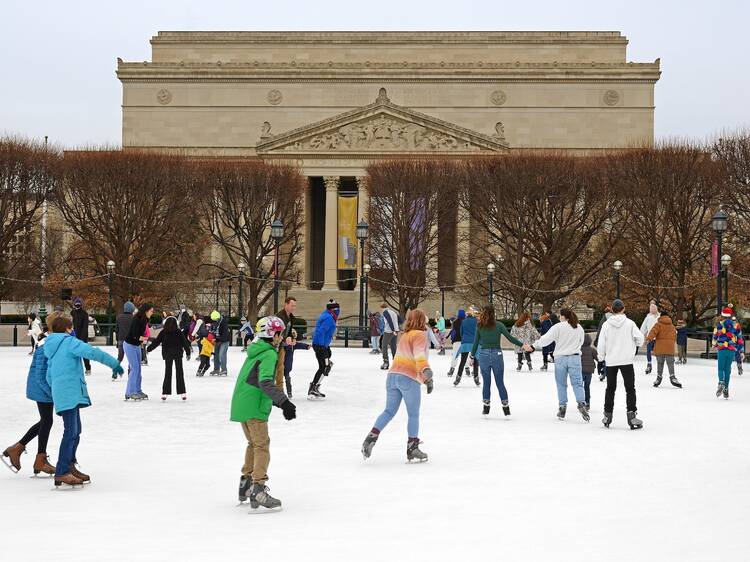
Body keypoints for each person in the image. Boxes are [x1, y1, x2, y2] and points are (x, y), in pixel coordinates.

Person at [44, 315, 123, 487]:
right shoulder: (68, 342)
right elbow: (92, 352)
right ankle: (62, 471)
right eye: (70, 327)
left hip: (64, 392)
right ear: (66, 329)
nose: (72, 330)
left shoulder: (51, 346)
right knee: (71, 431)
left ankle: (70, 465)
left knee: (75, 430)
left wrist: (57, 388)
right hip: (70, 391)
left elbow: (48, 375)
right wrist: (114, 363)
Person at [231, 316, 296, 511]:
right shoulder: (269, 354)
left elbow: (253, 379)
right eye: (280, 333)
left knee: (253, 443)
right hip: (254, 406)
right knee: (262, 445)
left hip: (242, 403)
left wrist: (276, 401)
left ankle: (246, 485)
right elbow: (265, 381)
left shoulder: (255, 351)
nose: (282, 336)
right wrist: (284, 402)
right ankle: (258, 488)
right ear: (273, 334)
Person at [361, 309, 434, 463]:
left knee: (388, 411)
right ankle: (412, 447)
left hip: (392, 376)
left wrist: (425, 379)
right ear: (422, 321)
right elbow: (419, 356)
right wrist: (427, 373)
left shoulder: (405, 335)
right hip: (408, 378)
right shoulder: (420, 335)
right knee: (413, 414)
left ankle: (371, 438)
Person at [2, 327, 57, 476]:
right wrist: (51, 393)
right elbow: (40, 374)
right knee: (46, 421)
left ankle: (19, 449)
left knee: (46, 420)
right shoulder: (45, 345)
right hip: (41, 387)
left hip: (44, 386)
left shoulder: (49, 343)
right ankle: (39, 459)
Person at [528, 308, 589, 422]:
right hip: (575, 357)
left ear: (562, 316)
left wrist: (533, 346)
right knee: (577, 383)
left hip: (560, 358)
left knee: (561, 384)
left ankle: (562, 407)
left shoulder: (558, 327)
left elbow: (545, 339)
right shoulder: (578, 327)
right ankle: (581, 403)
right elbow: (581, 342)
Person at [596, 299, 645, 429]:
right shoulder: (630, 324)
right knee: (630, 389)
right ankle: (632, 416)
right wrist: (635, 345)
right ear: (623, 309)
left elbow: (601, 343)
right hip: (626, 361)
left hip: (611, 361)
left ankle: (607, 415)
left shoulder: (606, 325)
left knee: (610, 389)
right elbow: (640, 338)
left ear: (612, 310)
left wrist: (601, 358)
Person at [469, 305, 524, 416]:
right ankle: (505, 406)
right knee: (500, 382)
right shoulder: (499, 325)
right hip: (497, 354)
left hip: (483, 354)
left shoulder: (480, 326)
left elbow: (475, 343)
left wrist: (471, 357)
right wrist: (522, 345)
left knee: (486, 382)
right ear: (493, 313)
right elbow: (510, 338)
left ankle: (486, 406)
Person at [147, 316, 192, 400]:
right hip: (176, 354)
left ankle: (166, 392)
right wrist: (188, 353)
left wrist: (149, 349)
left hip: (169, 354)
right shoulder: (176, 332)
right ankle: (182, 392)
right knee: (179, 372)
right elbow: (185, 343)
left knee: (168, 372)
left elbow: (156, 342)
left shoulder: (164, 332)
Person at [123, 303, 154, 401]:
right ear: (146, 310)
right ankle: (131, 392)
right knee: (135, 368)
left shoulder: (144, 320)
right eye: (151, 311)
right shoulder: (137, 319)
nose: (152, 313)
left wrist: (145, 340)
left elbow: (140, 336)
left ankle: (137, 390)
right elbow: (135, 336)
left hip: (136, 346)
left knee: (138, 369)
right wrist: (148, 339)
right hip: (129, 345)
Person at [308, 300, 338, 399]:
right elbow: (321, 332)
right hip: (320, 345)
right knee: (324, 367)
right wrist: (322, 346)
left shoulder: (328, 315)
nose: (338, 312)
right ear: (333, 310)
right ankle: (313, 388)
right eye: (336, 309)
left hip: (323, 345)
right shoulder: (328, 318)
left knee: (326, 365)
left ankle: (315, 387)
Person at [712, 306, 744, 400]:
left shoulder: (719, 325)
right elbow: (740, 339)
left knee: (720, 368)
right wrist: (741, 351)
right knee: (727, 370)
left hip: (722, 349)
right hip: (731, 350)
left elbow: (714, 337)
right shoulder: (736, 325)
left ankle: (721, 382)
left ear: (722, 315)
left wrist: (714, 344)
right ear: (730, 316)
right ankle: (726, 389)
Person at [646, 311, 682, 389]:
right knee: (670, 363)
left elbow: (653, 332)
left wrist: (649, 339)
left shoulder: (658, 324)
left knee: (660, 363)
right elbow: (675, 334)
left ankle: (658, 378)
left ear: (661, 316)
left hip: (660, 347)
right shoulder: (672, 326)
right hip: (669, 347)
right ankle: (673, 377)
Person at [274, 296, 298, 390]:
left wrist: (292, 338)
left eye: (295, 306)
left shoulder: (291, 317)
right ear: (286, 304)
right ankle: (270, 389)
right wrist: (285, 339)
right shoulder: (279, 317)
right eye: (292, 305)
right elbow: (275, 333)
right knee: (273, 368)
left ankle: (279, 390)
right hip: (274, 346)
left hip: (281, 346)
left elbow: (289, 332)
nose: (293, 308)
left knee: (280, 368)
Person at [453, 306, 480, 386]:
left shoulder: (464, 321)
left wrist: (464, 339)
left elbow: (461, 332)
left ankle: (458, 377)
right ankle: (476, 378)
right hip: (474, 343)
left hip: (465, 343)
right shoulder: (476, 322)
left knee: (463, 361)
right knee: (475, 360)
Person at [282, 328, 310, 398]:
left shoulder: (293, 344)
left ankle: (289, 392)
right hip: (279, 366)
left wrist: (306, 346)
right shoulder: (282, 344)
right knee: (278, 380)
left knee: (287, 379)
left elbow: (299, 345)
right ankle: (278, 393)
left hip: (287, 366)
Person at [70, 297, 92, 375]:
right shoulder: (73, 313)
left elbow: (85, 327)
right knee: (73, 353)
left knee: (84, 353)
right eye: (76, 305)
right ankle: (74, 368)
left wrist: (82, 339)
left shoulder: (84, 314)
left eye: (78, 304)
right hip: (74, 336)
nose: (77, 306)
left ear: (81, 305)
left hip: (82, 337)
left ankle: (88, 368)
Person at [114, 301, 135, 379]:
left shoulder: (119, 317)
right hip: (130, 341)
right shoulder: (133, 318)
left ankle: (115, 372)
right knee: (131, 358)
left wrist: (118, 339)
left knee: (120, 357)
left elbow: (117, 330)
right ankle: (130, 373)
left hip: (121, 340)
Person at [640, 301, 659, 374]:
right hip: (650, 338)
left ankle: (658, 365)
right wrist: (641, 335)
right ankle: (649, 364)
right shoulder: (648, 317)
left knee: (657, 352)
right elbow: (643, 328)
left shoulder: (659, 317)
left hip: (657, 338)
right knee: (648, 351)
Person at [595, 305, 613, 381]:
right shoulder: (614, 319)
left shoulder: (603, 319)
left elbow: (599, 330)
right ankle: (607, 372)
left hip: (604, 340)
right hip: (612, 341)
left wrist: (597, 339)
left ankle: (604, 372)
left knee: (604, 357)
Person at [380, 302, 400, 370]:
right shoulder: (393, 312)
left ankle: (386, 362)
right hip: (396, 330)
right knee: (393, 346)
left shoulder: (385, 312)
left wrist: (393, 329)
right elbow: (400, 320)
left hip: (389, 331)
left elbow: (390, 321)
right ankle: (396, 363)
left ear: (382, 308)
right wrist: (396, 328)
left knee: (384, 346)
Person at [209, 310, 230, 376]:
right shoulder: (215, 322)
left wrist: (217, 339)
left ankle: (224, 370)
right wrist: (213, 337)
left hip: (224, 340)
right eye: (214, 320)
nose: (215, 321)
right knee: (216, 355)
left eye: (216, 319)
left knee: (222, 354)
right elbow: (213, 331)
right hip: (217, 340)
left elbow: (225, 334)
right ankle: (216, 369)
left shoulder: (224, 322)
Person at [446, 308, 465, 377]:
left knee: (455, 355)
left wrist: (452, 340)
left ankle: (452, 368)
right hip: (464, 341)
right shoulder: (466, 321)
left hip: (457, 341)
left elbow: (454, 331)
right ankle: (467, 368)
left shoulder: (455, 322)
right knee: (465, 355)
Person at [580, 334, 597, 409]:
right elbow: (598, 358)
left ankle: (581, 402)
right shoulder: (592, 349)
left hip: (580, 371)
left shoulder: (578, 349)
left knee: (580, 387)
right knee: (587, 387)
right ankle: (588, 402)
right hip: (589, 371)